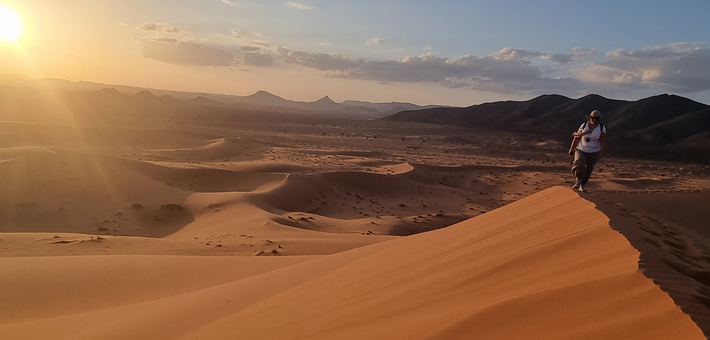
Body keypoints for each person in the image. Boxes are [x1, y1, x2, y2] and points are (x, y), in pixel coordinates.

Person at [568, 110, 606, 192]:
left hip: (594, 151)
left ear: (599, 119)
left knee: (589, 168)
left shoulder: (602, 128)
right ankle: (577, 180)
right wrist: (571, 149)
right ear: (589, 117)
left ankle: (582, 185)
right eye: (592, 117)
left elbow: (602, 140)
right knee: (579, 163)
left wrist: (602, 151)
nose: (594, 120)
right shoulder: (584, 125)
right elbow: (577, 137)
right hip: (581, 149)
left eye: (596, 118)